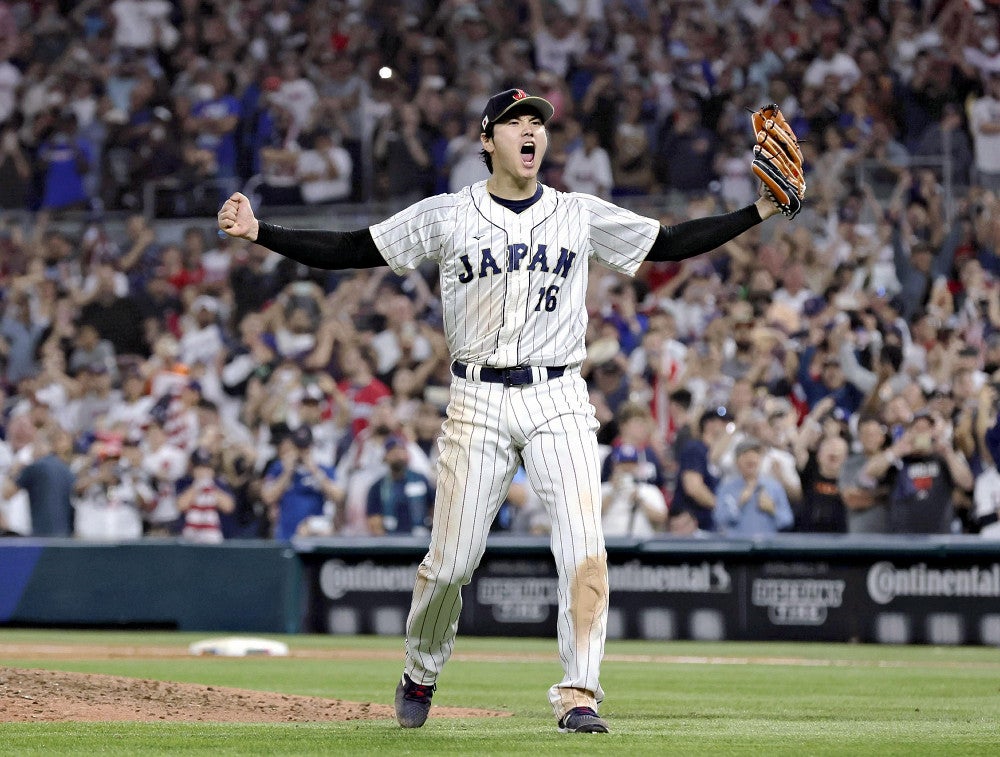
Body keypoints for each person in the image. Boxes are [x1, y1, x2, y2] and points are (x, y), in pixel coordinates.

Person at [218, 87, 787, 734]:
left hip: (559, 395)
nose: (530, 131)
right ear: (487, 141)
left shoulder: (577, 212)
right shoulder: (447, 214)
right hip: (477, 396)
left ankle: (579, 693)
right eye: (515, 121)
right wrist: (261, 231)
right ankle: (421, 669)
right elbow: (353, 247)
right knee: (451, 563)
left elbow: (670, 241)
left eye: (537, 123)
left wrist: (761, 208)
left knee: (584, 547)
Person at [714, 437, 794, 537]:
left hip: (766, 547)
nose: (751, 458)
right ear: (737, 461)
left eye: (755, 454)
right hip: (737, 547)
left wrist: (772, 509)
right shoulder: (726, 488)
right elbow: (719, 519)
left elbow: (787, 521)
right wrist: (739, 503)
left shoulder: (774, 487)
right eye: (745, 454)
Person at [365, 435, 435, 536]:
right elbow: (374, 521)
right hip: (391, 542)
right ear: (385, 456)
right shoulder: (378, 486)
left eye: (401, 450)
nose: (398, 454)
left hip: (420, 540)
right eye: (393, 451)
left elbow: (434, 509)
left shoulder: (421, 479)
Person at [600, 443, 668, 538]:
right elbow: (589, 518)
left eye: (631, 464)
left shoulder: (649, 490)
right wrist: (612, 491)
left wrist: (639, 500)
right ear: (615, 465)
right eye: (623, 464)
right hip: (609, 545)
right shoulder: (603, 489)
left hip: (639, 546)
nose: (627, 468)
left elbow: (662, 518)